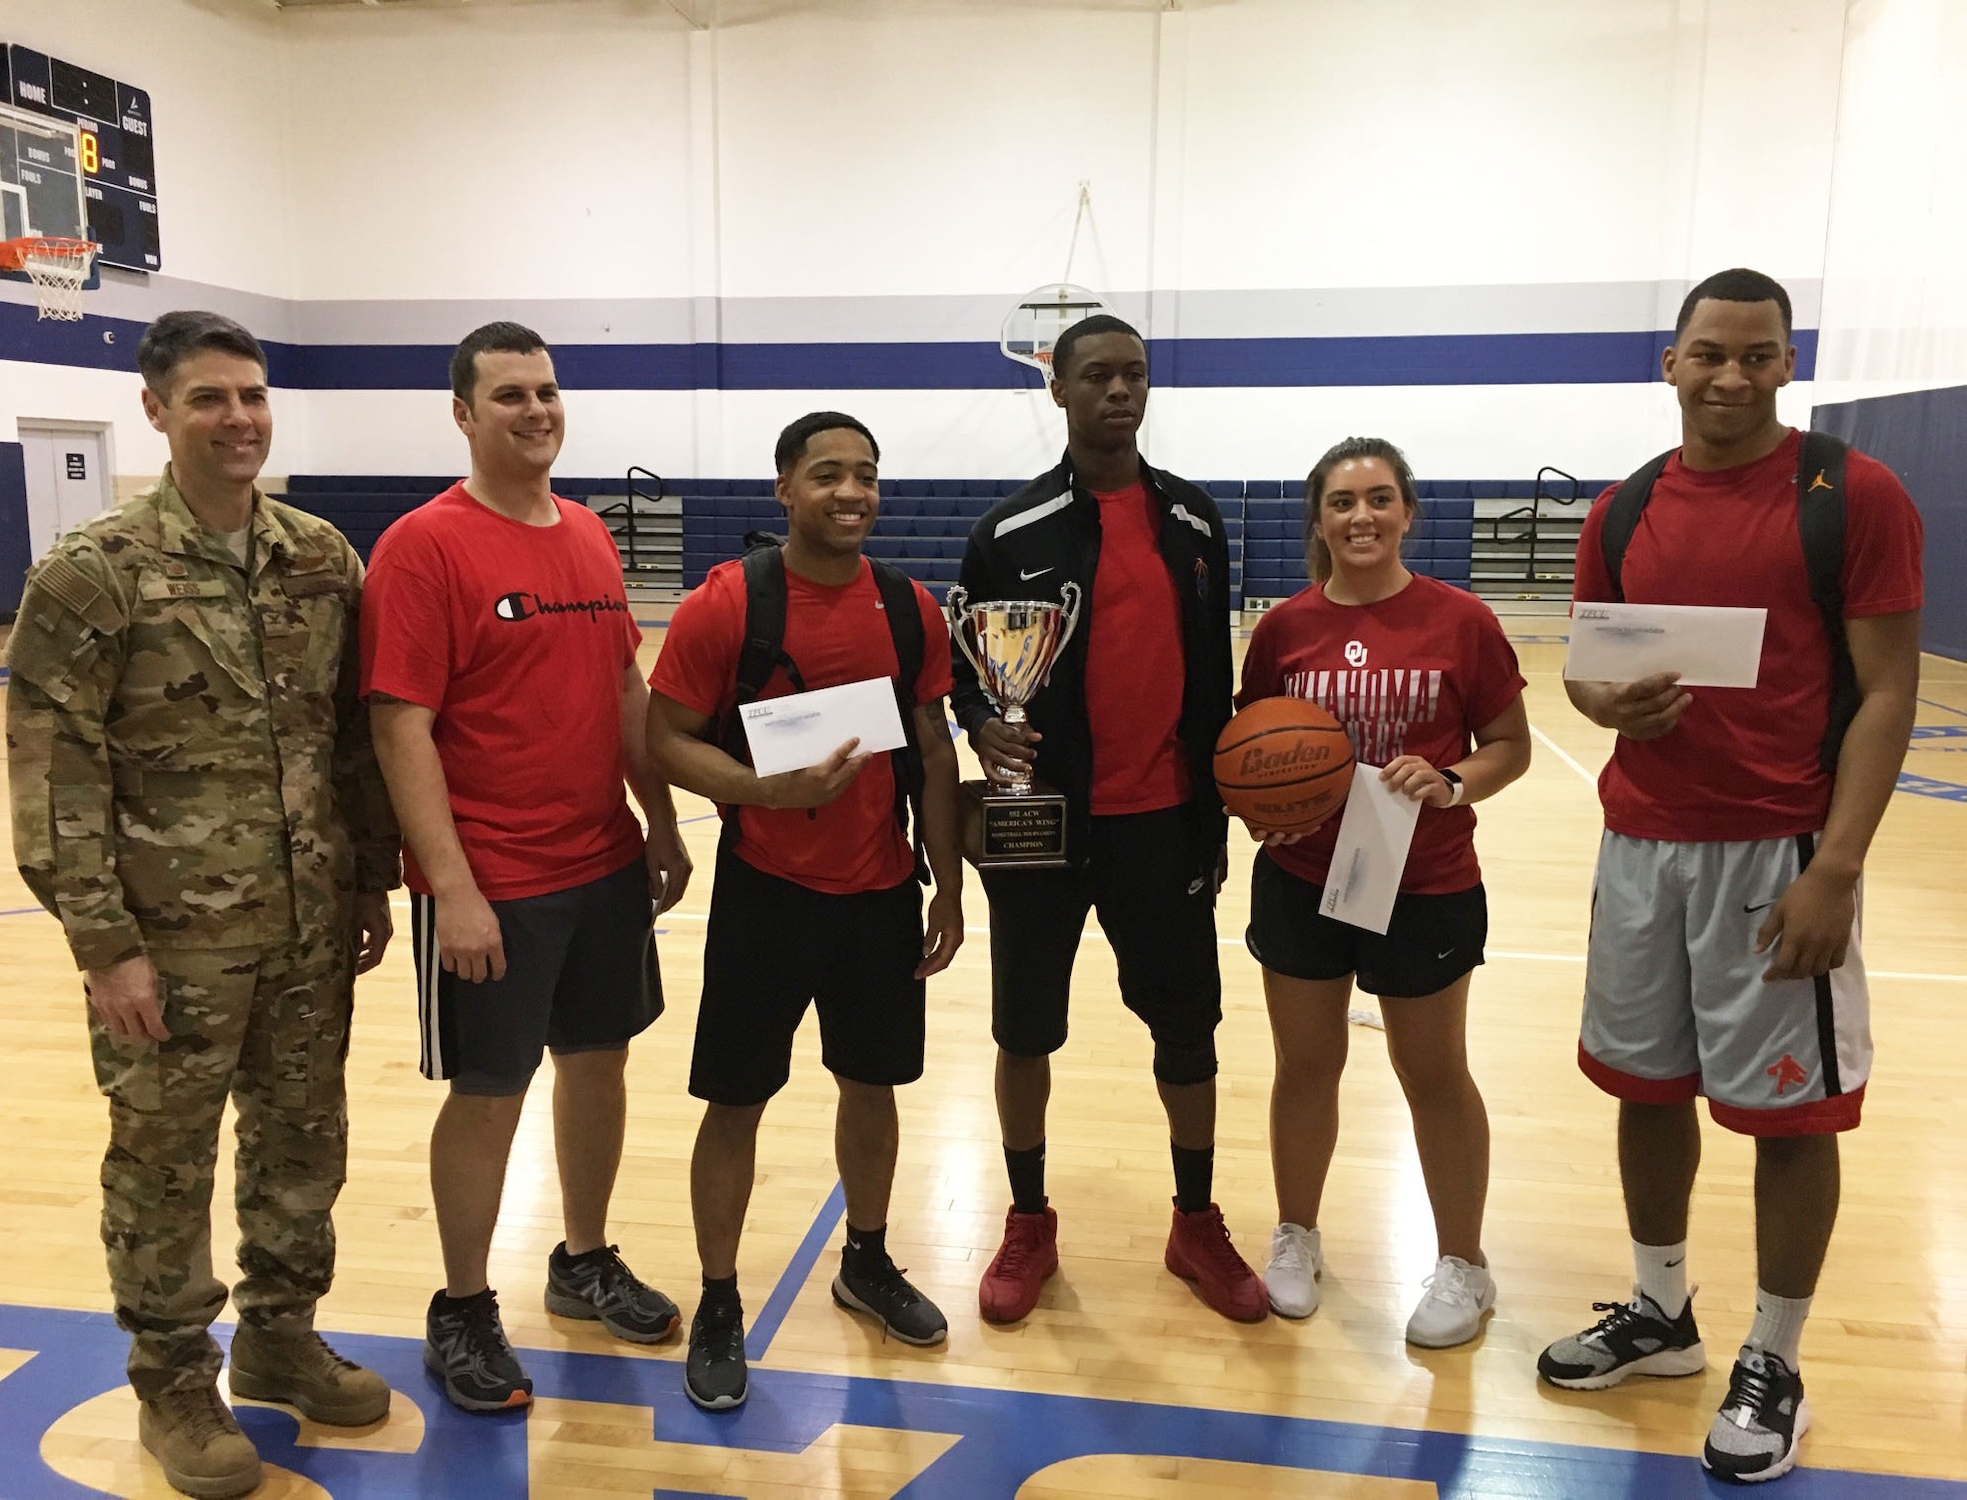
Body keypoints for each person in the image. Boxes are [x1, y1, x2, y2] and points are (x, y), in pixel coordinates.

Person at [1537, 269, 1923, 1485]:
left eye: (1755, 356)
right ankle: (1660, 1314)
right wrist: (1614, 706)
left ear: (1785, 362)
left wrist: (1839, 867)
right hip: (1642, 844)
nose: (1729, 377)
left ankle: (1775, 1355)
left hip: (1779, 852)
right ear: (1669, 362)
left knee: (1787, 1116)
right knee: (1643, 1088)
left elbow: (1888, 691)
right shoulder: (1627, 503)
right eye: (1708, 353)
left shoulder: (1851, 496)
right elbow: (1582, 674)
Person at [6, 311, 399, 1500]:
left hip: (306, 925)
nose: (239, 418)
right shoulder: (94, 574)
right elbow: (54, 770)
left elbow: (354, 742)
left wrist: (370, 878)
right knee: (164, 1163)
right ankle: (175, 1377)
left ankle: (281, 1335)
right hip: (164, 944)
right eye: (210, 399)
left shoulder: (323, 557)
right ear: (157, 412)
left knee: (302, 1143)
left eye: (252, 396)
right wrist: (104, 946)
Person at [361, 321, 693, 1415]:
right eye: (508, 395)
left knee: (598, 1065)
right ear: (463, 414)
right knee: (488, 1092)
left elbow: (626, 695)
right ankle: (461, 1305)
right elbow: (401, 726)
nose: (535, 410)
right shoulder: (425, 545)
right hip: (491, 878)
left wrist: (658, 817)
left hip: (600, 861)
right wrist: (449, 887)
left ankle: (582, 1257)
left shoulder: (591, 536)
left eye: (546, 390)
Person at [646, 410, 964, 1412]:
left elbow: (934, 750)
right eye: (827, 473)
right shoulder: (725, 606)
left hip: (879, 896)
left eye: (865, 474)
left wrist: (950, 883)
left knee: (872, 1090)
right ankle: (718, 1296)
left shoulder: (912, 609)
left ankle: (863, 1260)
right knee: (733, 1102)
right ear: (782, 489)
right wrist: (763, 792)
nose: (850, 492)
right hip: (766, 894)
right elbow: (664, 739)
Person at [952, 314, 1260, 1325]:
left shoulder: (1197, 522)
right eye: (1096, 375)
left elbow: (1208, 674)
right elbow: (969, 675)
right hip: (1042, 829)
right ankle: (1028, 1218)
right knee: (1024, 1028)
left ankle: (1195, 1218)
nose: (1117, 391)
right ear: (1058, 391)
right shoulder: (1006, 534)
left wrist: (1219, 807)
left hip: (1164, 823)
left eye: (1133, 374)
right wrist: (980, 732)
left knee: (1188, 1028)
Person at [1234, 437, 1530, 1348]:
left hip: (1427, 882)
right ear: (1317, 519)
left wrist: (1451, 782)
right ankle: (1296, 1236)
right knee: (1307, 1065)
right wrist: (1261, 815)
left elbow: (1508, 745)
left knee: (1432, 1072)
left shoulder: (1461, 621)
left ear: (1408, 512)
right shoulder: (1283, 630)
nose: (1361, 516)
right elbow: (1251, 756)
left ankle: (1464, 1264)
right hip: (1303, 880)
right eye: (1341, 501)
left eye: (1379, 498)